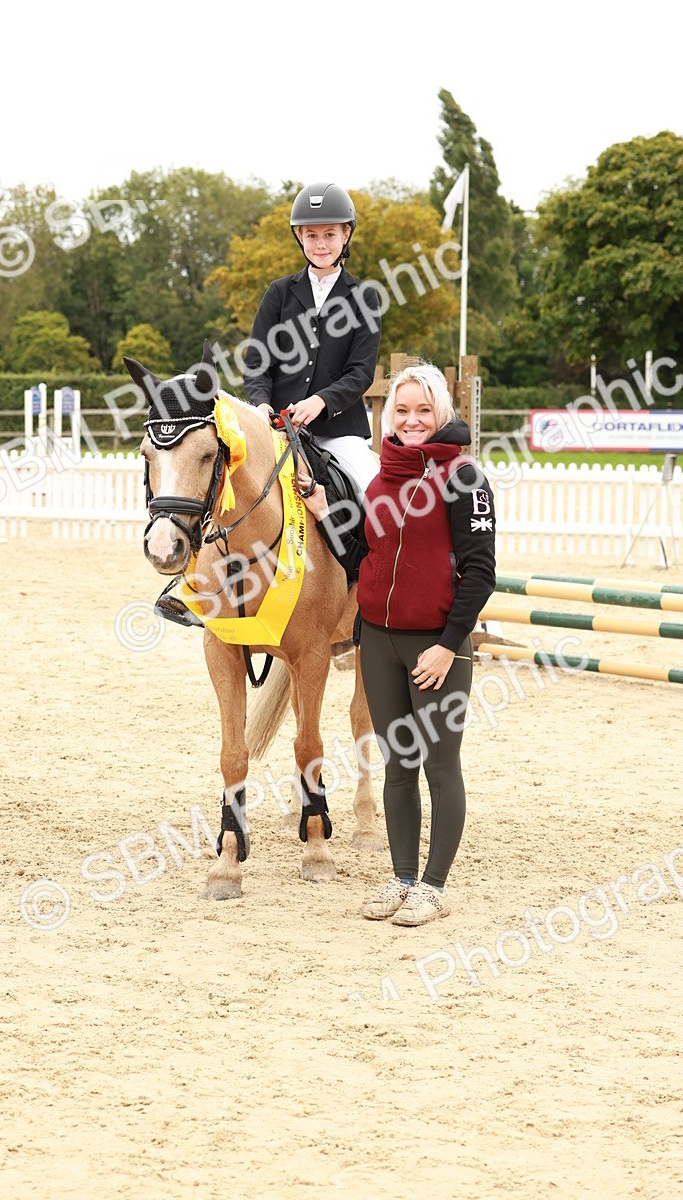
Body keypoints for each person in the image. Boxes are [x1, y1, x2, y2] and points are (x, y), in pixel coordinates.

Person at [297, 360, 496, 926]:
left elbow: (481, 573)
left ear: (442, 413)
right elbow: (365, 556)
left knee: (440, 766)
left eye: (423, 410)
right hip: (379, 643)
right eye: (402, 410)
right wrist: (324, 510)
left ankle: (433, 887)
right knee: (398, 766)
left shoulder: (464, 478)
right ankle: (403, 878)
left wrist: (449, 645)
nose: (411, 420)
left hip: (436, 647)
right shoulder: (383, 479)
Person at [243, 181, 381, 492]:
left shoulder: (364, 297)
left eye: (329, 235)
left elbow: (360, 372)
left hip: (339, 431)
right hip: (278, 428)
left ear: (346, 235)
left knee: (370, 491)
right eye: (311, 235)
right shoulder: (279, 293)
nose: (320, 245)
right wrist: (261, 405)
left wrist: (321, 401)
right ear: (300, 237)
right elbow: (257, 364)